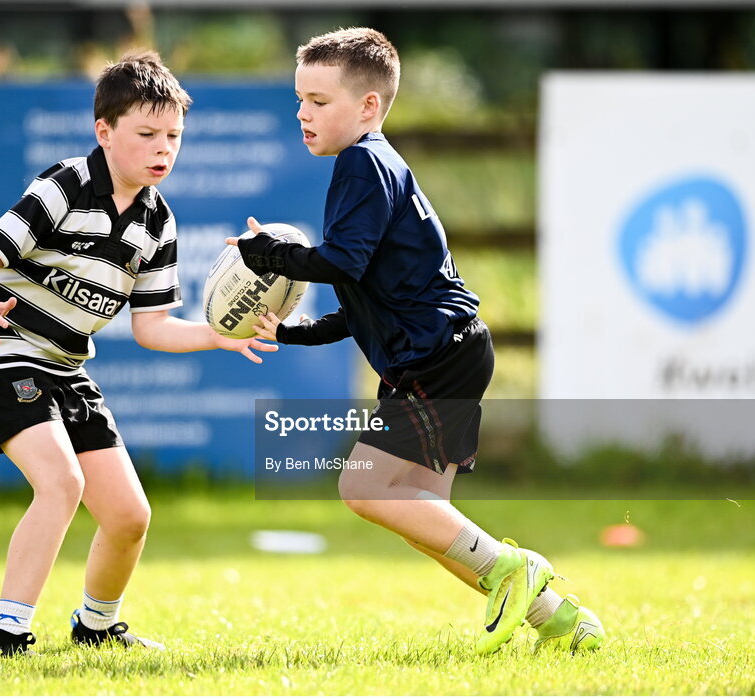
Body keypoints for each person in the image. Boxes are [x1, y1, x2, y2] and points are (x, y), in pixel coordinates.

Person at [230, 27, 604, 655]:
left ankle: (517, 569)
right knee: (427, 516)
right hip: (447, 352)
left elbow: (342, 262)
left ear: (368, 106)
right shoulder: (371, 164)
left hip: (438, 356)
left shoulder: (362, 162)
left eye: (319, 101)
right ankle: (563, 621)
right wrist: (294, 332)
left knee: (363, 486)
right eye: (300, 99)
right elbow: (366, 296)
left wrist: (266, 253)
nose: (303, 112)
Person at [0, 49, 277, 657]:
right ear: (104, 131)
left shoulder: (158, 223)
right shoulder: (66, 184)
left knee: (129, 516)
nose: (164, 148)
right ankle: (6, 630)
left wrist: (218, 336)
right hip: (1, 349)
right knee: (61, 484)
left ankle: (96, 627)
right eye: (147, 133)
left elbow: (152, 327)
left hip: (65, 370)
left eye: (174, 136)